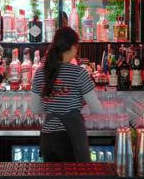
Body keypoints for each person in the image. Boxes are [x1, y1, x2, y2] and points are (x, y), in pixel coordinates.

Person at [30, 27, 103, 162]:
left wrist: (53, 103)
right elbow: (97, 109)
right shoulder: (79, 73)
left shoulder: (40, 72)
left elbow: (35, 109)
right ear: (74, 47)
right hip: (70, 139)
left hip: (48, 139)